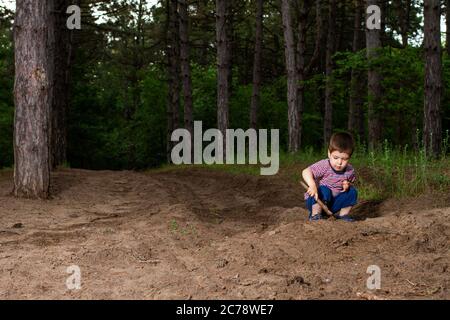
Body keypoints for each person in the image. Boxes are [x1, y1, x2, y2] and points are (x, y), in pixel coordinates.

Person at [302, 132, 357, 222]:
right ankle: (315, 215)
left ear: (349, 157)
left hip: (333, 203)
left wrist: (346, 183)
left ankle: (343, 215)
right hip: (316, 200)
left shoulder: (349, 170)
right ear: (329, 153)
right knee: (324, 189)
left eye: (344, 159)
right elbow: (306, 171)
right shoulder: (324, 165)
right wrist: (312, 185)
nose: (339, 162)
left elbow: (349, 181)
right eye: (335, 158)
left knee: (352, 192)